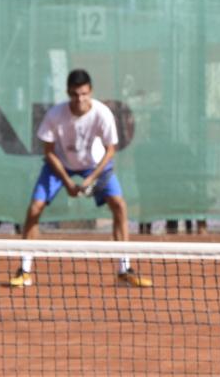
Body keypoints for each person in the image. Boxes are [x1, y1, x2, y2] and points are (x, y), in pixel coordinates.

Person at [9, 69, 151, 288]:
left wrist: (90, 179)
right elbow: (48, 152)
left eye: (84, 94)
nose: (80, 99)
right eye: (75, 94)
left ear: (90, 91)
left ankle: (124, 269)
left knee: (119, 206)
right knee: (34, 209)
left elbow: (110, 151)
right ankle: (25, 270)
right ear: (68, 93)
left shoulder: (102, 114)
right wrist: (67, 182)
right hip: (60, 165)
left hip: (95, 167)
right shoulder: (55, 115)